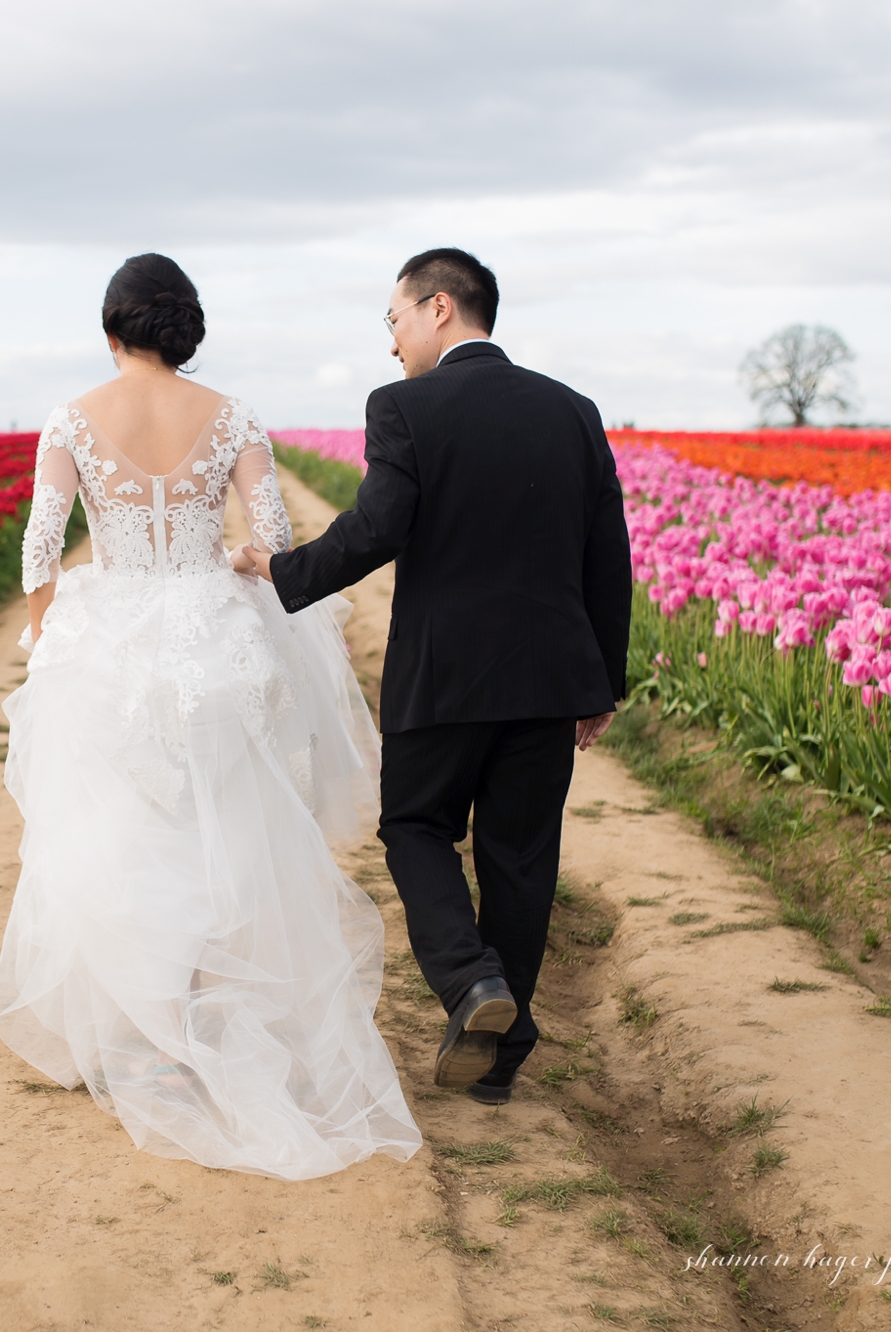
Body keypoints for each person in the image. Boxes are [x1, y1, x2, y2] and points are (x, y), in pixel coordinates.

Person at [0, 254, 421, 1180]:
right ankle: (197, 1015)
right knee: (215, 828)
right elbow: (271, 538)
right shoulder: (231, 416)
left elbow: (40, 544)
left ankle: (147, 1037)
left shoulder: (72, 417)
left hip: (112, 638)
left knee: (123, 832)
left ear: (112, 329)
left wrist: (46, 635)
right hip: (211, 636)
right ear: (184, 330)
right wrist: (226, 566)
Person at [234, 248, 632, 1107]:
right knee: (521, 860)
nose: (391, 342)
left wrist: (280, 568)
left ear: (439, 307)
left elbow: (377, 527)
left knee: (416, 827)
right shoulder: (573, 411)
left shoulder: (405, 407)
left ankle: (471, 984)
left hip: (443, 677)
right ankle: (500, 1059)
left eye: (394, 320)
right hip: (550, 680)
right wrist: (603, 679)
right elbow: (609, 550)